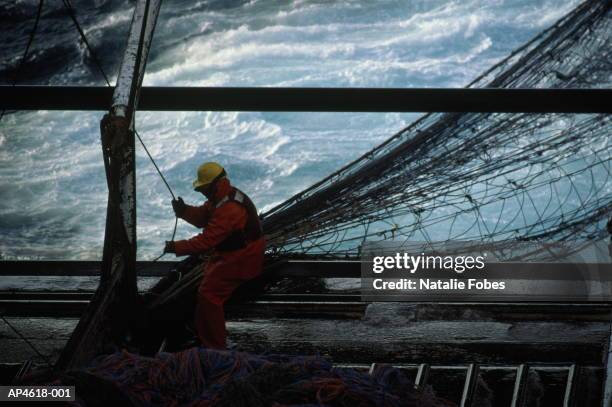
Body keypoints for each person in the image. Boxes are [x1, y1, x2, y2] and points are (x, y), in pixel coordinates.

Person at [163, 162, 265, 349]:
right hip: (233, 254)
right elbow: (204, 216)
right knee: (205, 288)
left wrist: (175, 247)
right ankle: (205, 333)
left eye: (203, 188)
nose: (202, 192)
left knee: (209, 296)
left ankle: (215, 347)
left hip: (243, 258)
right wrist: (184, 211)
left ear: (214, 185)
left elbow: (206, 241)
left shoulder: (229, 209)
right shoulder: (222, 197)